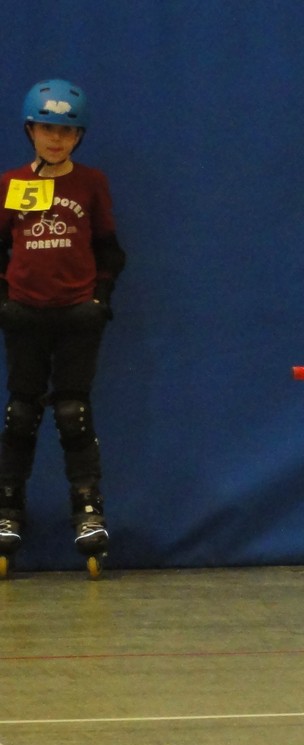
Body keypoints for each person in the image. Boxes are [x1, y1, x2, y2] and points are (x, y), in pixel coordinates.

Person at [0, 78, 124, 573]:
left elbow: (109, 250)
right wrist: (4, 301)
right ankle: (7, 509)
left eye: (67, 131)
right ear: (30, 131)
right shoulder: (10, 185)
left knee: (73, 412)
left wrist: (99, 300)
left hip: (76, 315)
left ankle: (88, 512)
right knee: (21, 413)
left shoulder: (91, 183)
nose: (56, 139)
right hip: (25, 315)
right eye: (47, 129)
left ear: (79, 137)